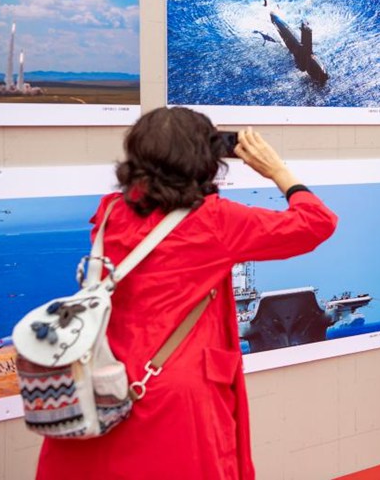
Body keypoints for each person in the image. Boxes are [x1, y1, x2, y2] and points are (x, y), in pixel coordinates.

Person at [35, 107, 338, 480]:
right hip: (178, 393)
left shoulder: (109, 211)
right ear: (205, 158)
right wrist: (278, 171)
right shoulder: (215, 222)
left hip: (104, 382)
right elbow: (317, 223)